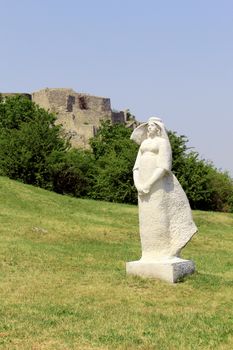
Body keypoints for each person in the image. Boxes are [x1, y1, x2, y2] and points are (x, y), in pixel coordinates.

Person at [131, 117, 197, 261]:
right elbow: (136, 167)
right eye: (147, 126)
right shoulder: (144, 144)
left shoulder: (162, 143)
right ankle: (148, 253)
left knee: (159, 213)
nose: (149, 128)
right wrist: (138, 184)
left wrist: (149, 183)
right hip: (142, 185)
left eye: (152, 126)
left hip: (157, 184)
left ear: (158, 129)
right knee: (145, 217)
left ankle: (163, 251)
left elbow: (163, 167)